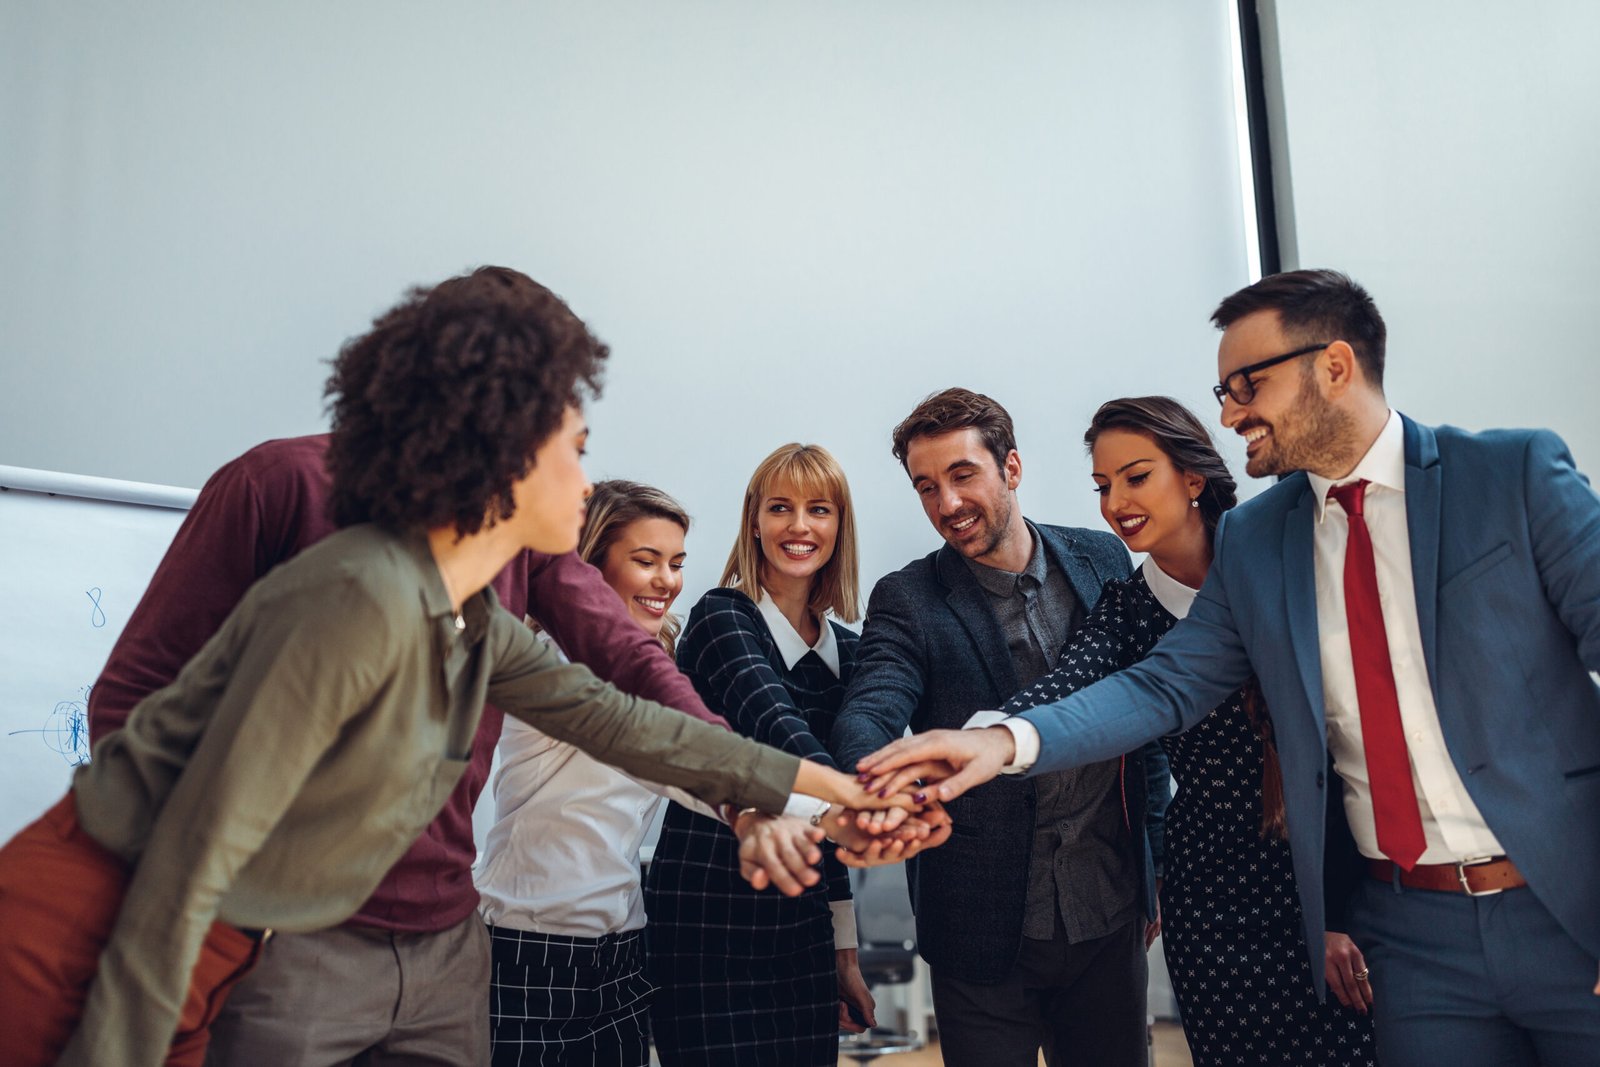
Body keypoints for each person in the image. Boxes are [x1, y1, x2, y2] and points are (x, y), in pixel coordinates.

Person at [0, 266, 911, 1067]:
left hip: (391, 931)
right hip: (150, 924)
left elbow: (621, 711)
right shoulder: (350, 589)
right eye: (577, 448)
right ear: (499, 440)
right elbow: (184, 872)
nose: (589, 482)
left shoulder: (473, 607)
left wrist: (831, 797)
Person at [858, 270, 1600, 1066]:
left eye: (1248, 384)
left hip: (1563, 901)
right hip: (1411, 934)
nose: (1229, 411)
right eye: (1221, 390)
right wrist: (1000, 740)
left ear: (1335, 367)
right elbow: (1160, 684)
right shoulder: (1262, 540)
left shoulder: (1511, 476)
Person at [997, 396, 1375, 1065]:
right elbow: (1071, 685)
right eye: (1103, 485)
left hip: (1325, 868)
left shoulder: (1283, 554)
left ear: (1192, 477)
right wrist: (986, 736)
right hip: (1211, 895)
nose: (1115, 501)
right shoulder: (1127, 608)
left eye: (1136, 476)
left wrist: (1341, 907)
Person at [829, 388, 1169, 1067]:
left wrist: (1153, 870)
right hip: (980, 935)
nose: (947, 503)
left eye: (963, 475)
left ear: (1011, 468)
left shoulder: (1104, 558)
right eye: (927, 487)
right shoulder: (909, 597)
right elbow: (870, 707)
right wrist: (872, 781)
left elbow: (1146, 721)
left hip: (1108, 916)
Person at [645, 443, 944, 1066]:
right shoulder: (721, 618)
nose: (799, 526)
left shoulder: (853, 652)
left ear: (840, 526)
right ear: (755, 520)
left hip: (801, 925)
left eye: (819, 510)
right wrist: (866, 807)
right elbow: (781, 734)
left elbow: (825, 820)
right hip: (707, 916)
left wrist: (844, 954)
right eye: (780, 508)